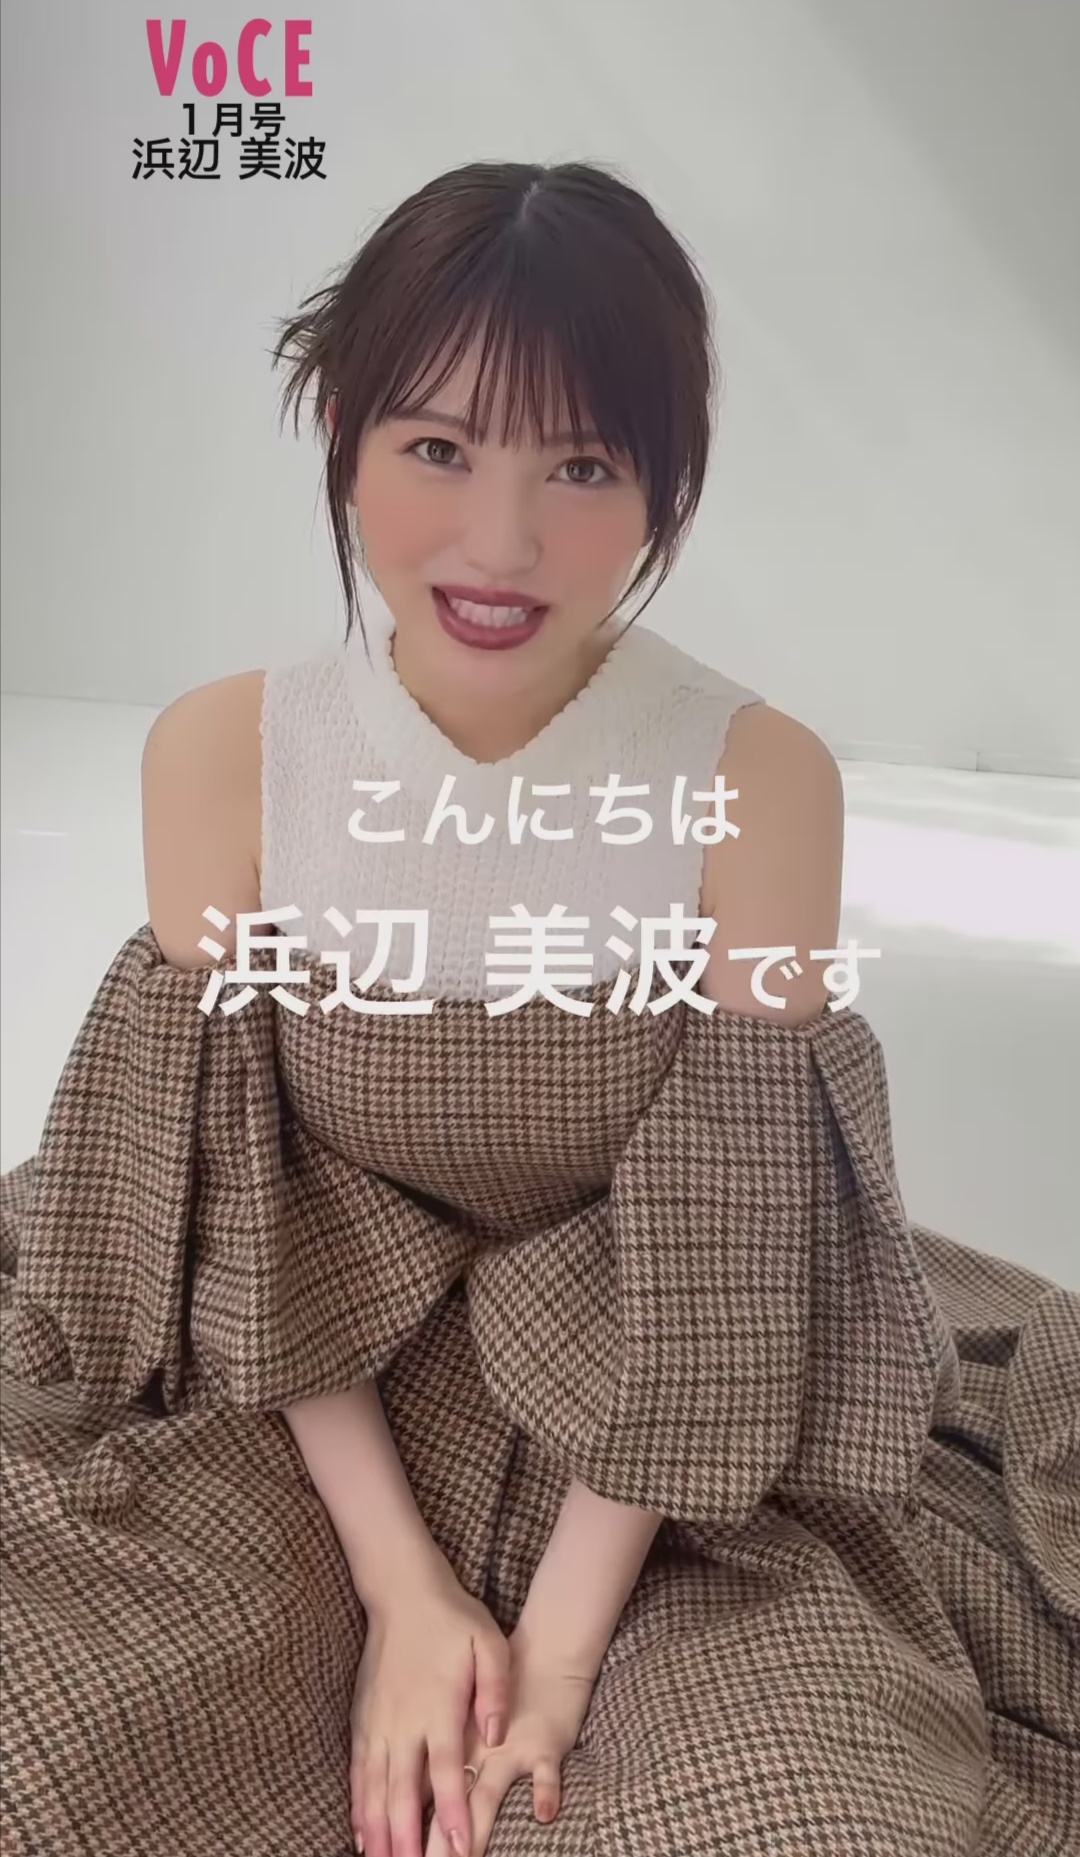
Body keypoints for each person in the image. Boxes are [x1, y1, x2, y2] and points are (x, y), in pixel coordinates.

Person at [0, 160, 1076, 1857]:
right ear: (341, 431)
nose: (502, 545)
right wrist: (403, 1588)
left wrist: (556, 1662)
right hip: (297, 1383)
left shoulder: (753, 777)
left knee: (822, 1819)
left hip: (672, 1420)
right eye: (439, 448)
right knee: (51, 1744)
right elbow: (238, 1210)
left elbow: (725, 1249)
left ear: (663, 485)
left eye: (581, 467)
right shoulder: (227, 756)